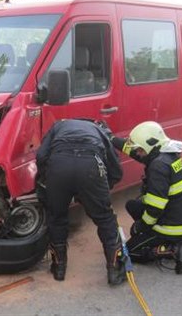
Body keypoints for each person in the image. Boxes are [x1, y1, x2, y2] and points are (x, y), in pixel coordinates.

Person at [35, 118, 125, 285]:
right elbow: (115, 167)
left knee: (56, 217)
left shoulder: (58, 126)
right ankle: (115, 270)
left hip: (58, 166)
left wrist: (47, 176)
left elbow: (41, 155)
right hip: (90, 165)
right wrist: (103, 189)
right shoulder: (99, 130)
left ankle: (59, 268)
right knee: (105, 218)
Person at [111, 121, 182, 274]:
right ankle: (170, 240)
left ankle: (173, 250)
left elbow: (155, 208)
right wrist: (111, 138)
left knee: (129, 252)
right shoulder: (167, 153)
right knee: (132, 204)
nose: (138, 153)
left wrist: (140, 227)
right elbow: (135, 152)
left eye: (140, 150)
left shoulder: (158, 167)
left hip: (172, 227)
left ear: (150, 146)